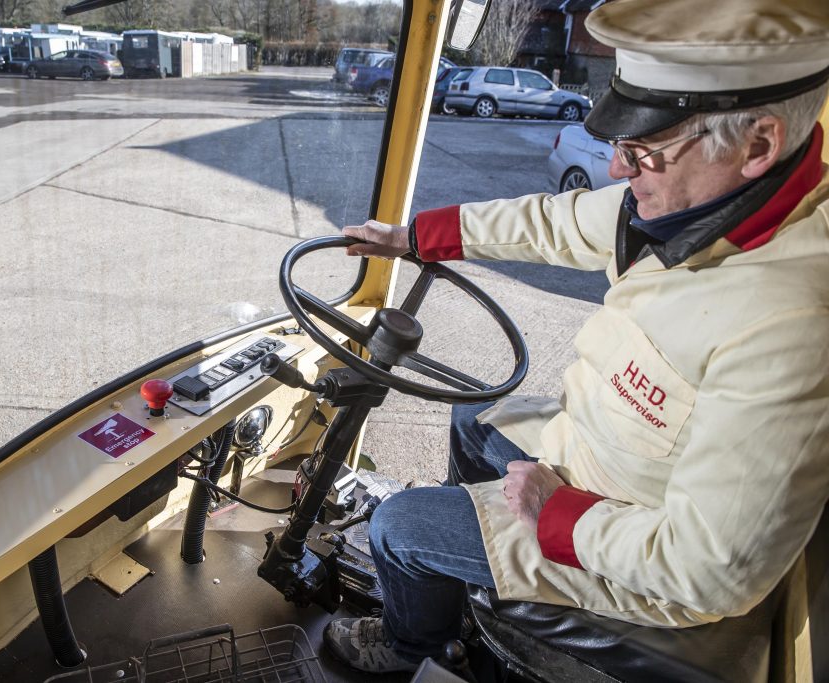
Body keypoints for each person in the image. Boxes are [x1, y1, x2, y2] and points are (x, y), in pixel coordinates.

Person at [322, 0, 829, 674]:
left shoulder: (789, 321)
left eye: (644, 150)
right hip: (600, 453)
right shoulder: (699, 204)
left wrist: (558, 514)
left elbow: (714, 569)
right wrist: (414, 237)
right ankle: (468, 564)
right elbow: (553, 222)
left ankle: (414, 642)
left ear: (757, 144)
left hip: (641, 551)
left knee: (398, 527)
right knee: (474, 413)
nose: (619, 170)